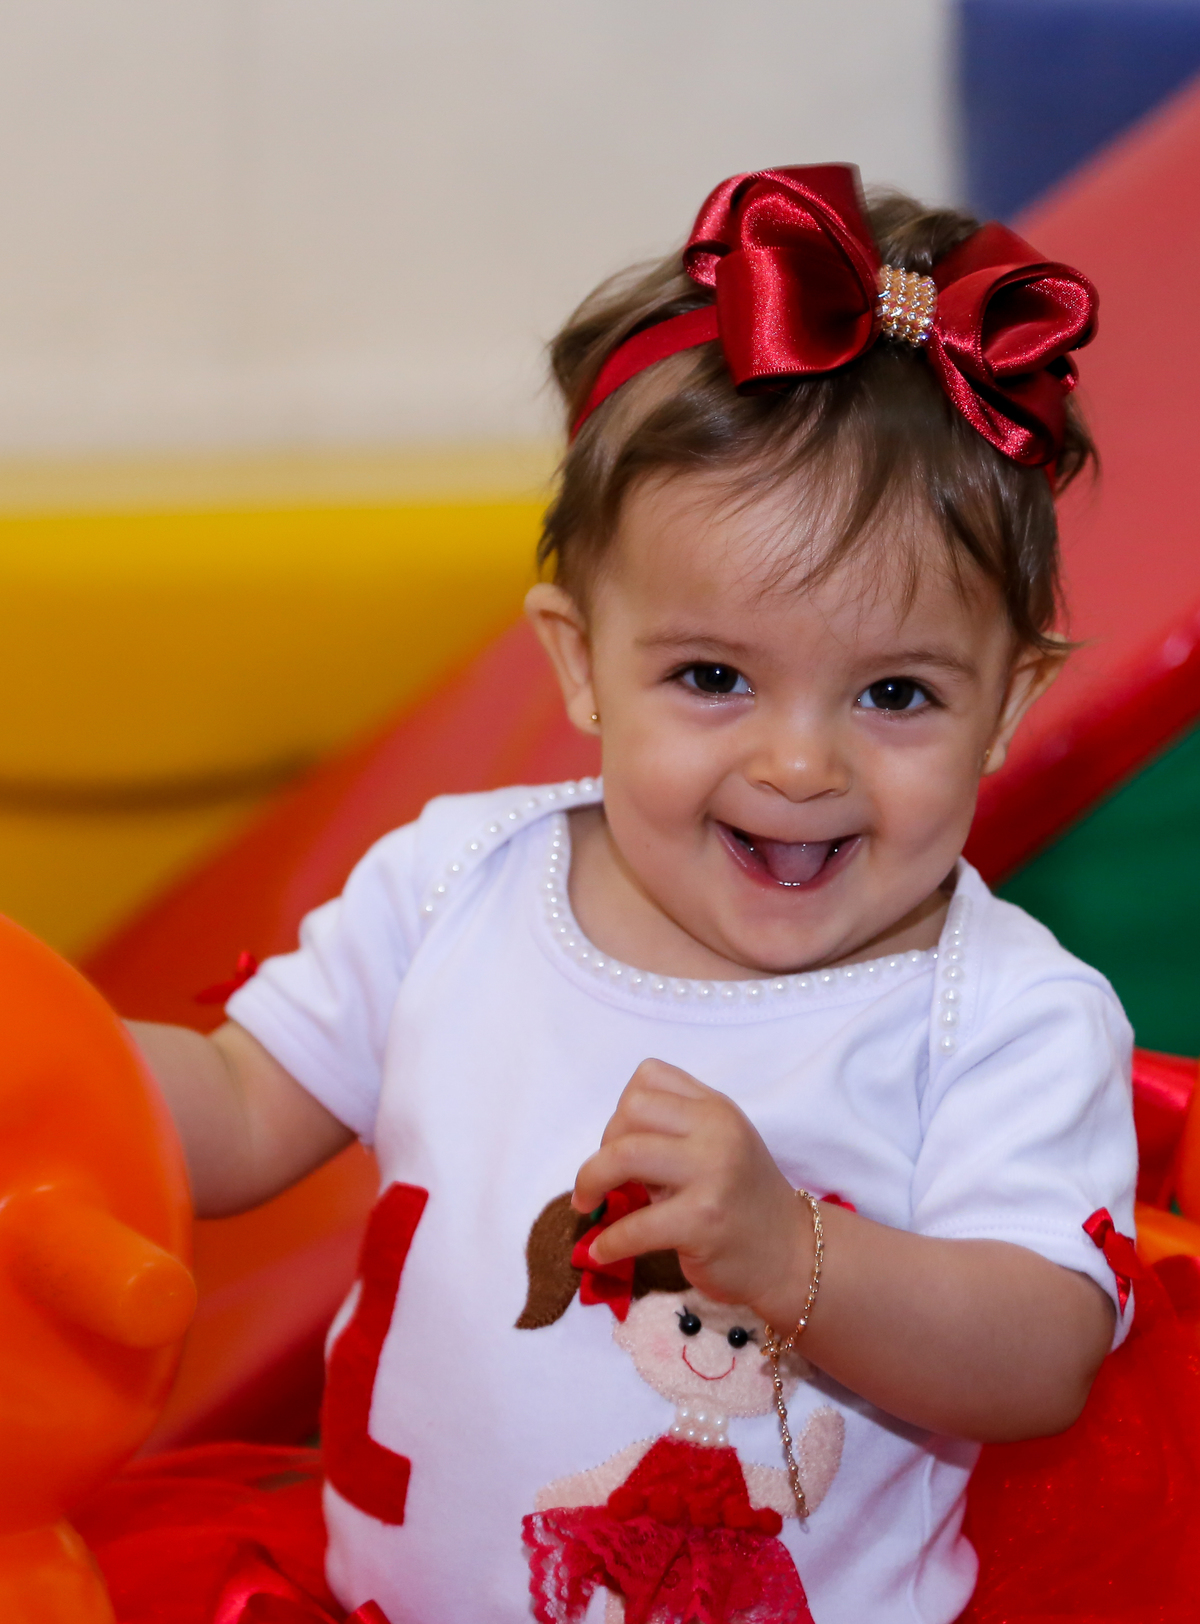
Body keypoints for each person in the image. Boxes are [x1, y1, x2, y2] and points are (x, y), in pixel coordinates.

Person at [129, 165, 1138, 1624]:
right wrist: (50, 1059)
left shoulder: (1003, 1015)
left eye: (897, 694)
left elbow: (1042, 1354)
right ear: (580, 660)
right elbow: (234, 1108)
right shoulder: (456, 883)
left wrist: (793, 1252)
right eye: (714, 676)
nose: (800, 763)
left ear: (1008, 705)